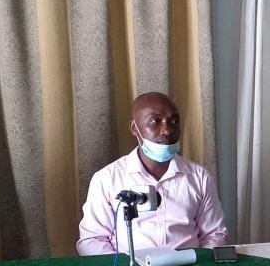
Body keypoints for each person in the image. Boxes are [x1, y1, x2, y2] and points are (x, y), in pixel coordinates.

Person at [77, 92, 227, 255]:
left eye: (174, 121)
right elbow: (92, 240)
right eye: (155, 121)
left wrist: (199, 263)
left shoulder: (199, 178)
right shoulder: (107, 179)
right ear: (134, 128)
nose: (166, 130)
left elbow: (214, 234)